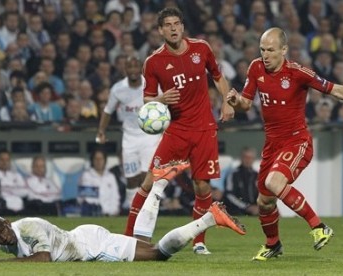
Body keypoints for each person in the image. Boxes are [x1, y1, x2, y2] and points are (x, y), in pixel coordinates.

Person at [226, 27, 343, 261]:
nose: (265, 55)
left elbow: (336, 90)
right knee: (264, 201)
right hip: (272, 144)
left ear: (284, 50)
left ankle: (319, 227)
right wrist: (235, 101)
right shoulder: (256, 67)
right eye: (262, 50)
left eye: (271, 50)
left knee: (274, 182)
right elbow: (245, 105)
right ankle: (273, 244)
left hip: (297, 141)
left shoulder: (298, 73)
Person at [0, 161, 246, 262]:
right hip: (84, 236)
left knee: (159, 254)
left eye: (3, 231)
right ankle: (158, 185)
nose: (3, 239)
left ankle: (209, 218)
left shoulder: (30, 228)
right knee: (145, 244)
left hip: (93, 248)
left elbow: (43, 259)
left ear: (9, 223)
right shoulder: (5, 235)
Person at [123, 7, 234, 255]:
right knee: (151, 181)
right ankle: (128, 237)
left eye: (177, 24)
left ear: (182, 27)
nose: (173, 28)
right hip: (177, 130)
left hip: (205, 129)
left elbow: (218, 76)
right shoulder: (153, 62)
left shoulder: (201, 48)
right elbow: (147, 99)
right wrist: (161, 99)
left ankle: (199, 242)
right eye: (168, 25)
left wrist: (227, 100)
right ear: (160, 30)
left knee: (202, 187)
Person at [96, 56, 161, 211]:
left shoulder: (152, 85)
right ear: (125, 70)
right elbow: (107, 110)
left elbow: (165, 104)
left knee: (147, 176)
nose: (133, 71)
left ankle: (148, 211)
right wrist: (101, 131)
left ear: (141, 69)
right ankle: (134, 210)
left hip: (149, 136)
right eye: (129, 67)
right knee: (131, 179)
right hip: (129, 138)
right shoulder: (118, 89)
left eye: (135, 67)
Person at [223, 147, 259, 216]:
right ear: (241, 158)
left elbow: (261, 194)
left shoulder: (257, 175)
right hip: (236, 211)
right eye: (245, 157)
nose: (248, 160)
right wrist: (246, 207)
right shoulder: (233, 174)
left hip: (255, 211)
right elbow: (229, 195)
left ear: (253, 159)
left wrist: (259, 207)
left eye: (250, 158)